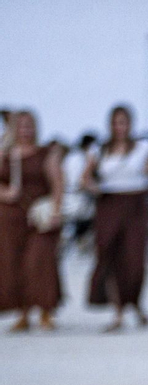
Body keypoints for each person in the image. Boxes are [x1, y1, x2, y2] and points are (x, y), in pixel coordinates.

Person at [84, 104, 148, 331]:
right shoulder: (100, 150)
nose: (120, 127)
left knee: (135, 259)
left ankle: (135, 302)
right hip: (109, 203)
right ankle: (118, 310)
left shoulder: (142, 148)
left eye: (124, 122)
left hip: (135, 204)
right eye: (116, 123)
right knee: (110, 255)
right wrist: (94, 188)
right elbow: (85, 177)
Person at [0, 109, 64, 332]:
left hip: (40, 218)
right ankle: (23, 312)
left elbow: (58, 184)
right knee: (14, 264)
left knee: (39, 261)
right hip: (11, 218)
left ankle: (45, 309)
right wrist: (5, 194)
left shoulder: (46, 154)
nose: (25, 131)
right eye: (21, 126)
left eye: (29, 126)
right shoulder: (6, 154)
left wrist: (56, 211)